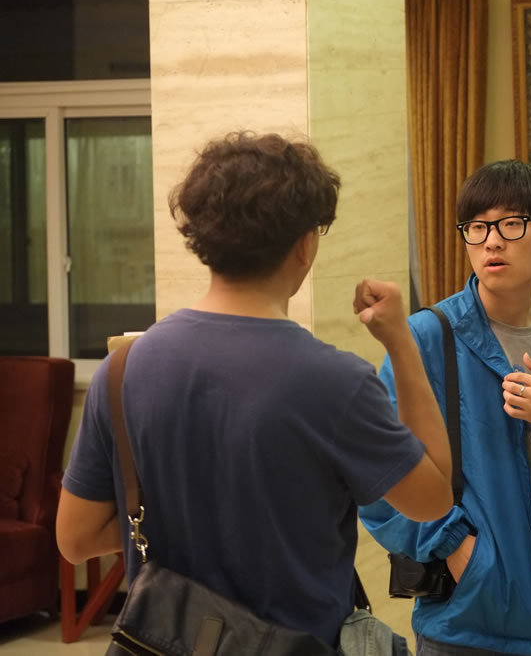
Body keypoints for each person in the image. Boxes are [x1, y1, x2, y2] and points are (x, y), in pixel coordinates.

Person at [55, 131, 454, 648]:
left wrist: (191, 520)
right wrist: (401, 340)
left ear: (201, 238)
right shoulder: (335, 382)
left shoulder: (122, 369)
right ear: (305, 245)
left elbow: (76, 538)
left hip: (165, 643)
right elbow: (433, 498)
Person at [359, 160, 531, 656]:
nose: (491, 242)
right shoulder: (427, 338)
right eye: (477, 227)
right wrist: (453, 546)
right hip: (473, 616)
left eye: (511, 224)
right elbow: (376, 475)